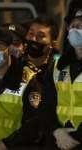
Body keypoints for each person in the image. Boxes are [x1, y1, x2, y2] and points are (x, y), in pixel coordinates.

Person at [43, 5, 82, 150]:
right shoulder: (57, 66)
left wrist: (74, 137)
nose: (76, 30)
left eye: (81, 25)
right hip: (58, 142)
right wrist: (57, 131)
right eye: (73, 26)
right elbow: (46, 106)